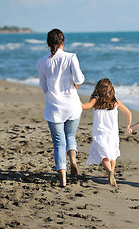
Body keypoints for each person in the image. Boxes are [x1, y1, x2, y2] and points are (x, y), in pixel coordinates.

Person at [38, 28, 85, 187]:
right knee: (70, 135)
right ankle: (73, 160)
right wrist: (73, 88)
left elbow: (44, 88)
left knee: (58, 143)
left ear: (48, 43)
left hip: (54, 108)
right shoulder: (71, 57)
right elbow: (79, 79)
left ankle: (63, 179)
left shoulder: (42, 62)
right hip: (72, 104)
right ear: (63, 42)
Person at [82, 78, 132, 187]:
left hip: (100, 133)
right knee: (112, 154)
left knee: (104, 156)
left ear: (98, 89)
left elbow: (84, 107)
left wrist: (74, 98)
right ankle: (112, 172)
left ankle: (109, 172)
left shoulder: (96, 100)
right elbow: (128, 113)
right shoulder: (115, 102)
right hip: (113, 134)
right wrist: (128, 126)